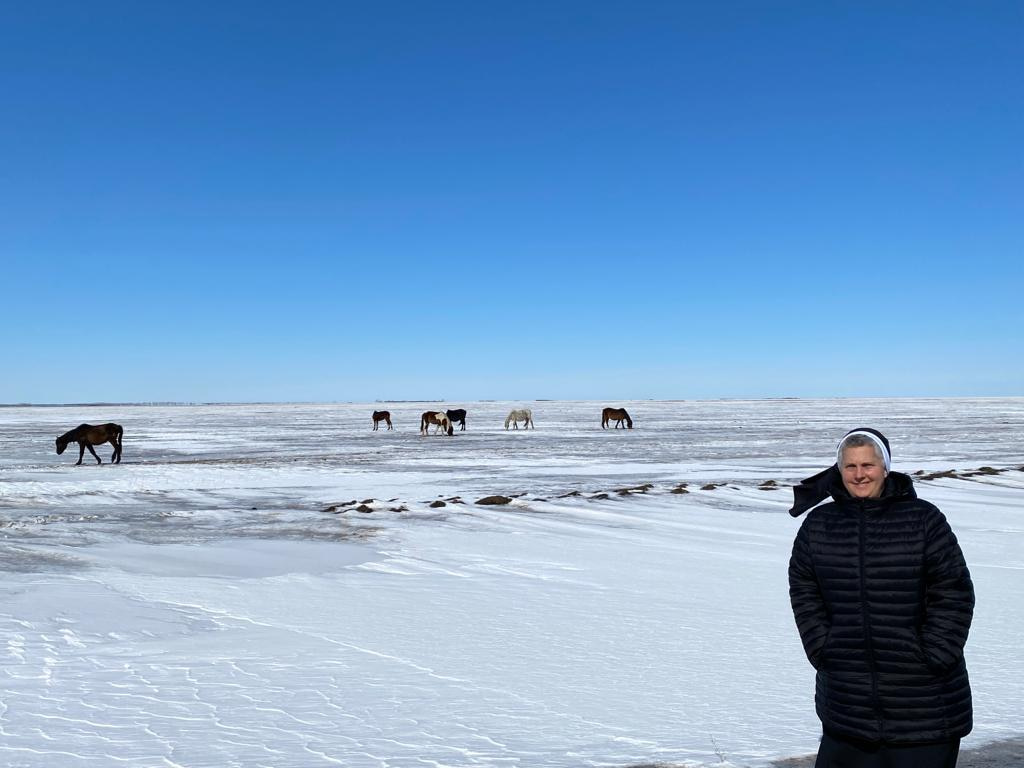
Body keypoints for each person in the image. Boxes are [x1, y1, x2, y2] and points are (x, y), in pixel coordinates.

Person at [788, 427, 974, 768]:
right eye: (851, 466)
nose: (860, 475)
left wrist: (933, 654)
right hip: (848, 706)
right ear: (839, 470)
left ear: (885, 468)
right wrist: (822, 646)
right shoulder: (819, 525)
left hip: (925, 707)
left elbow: (954, 591)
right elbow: (804, 588)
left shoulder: (923, 519)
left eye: (868, 465)